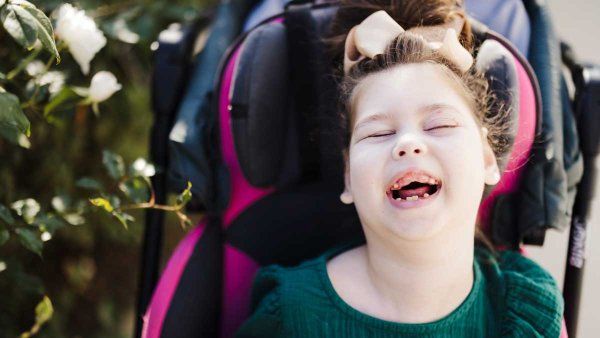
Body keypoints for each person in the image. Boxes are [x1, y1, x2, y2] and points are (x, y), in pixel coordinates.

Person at [236, 1, 564, 337]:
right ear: (348, 176)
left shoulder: (523, 309)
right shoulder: (289, 316)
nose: (407, 143)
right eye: (378, 133)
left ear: (486, 159)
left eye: (439, 126)